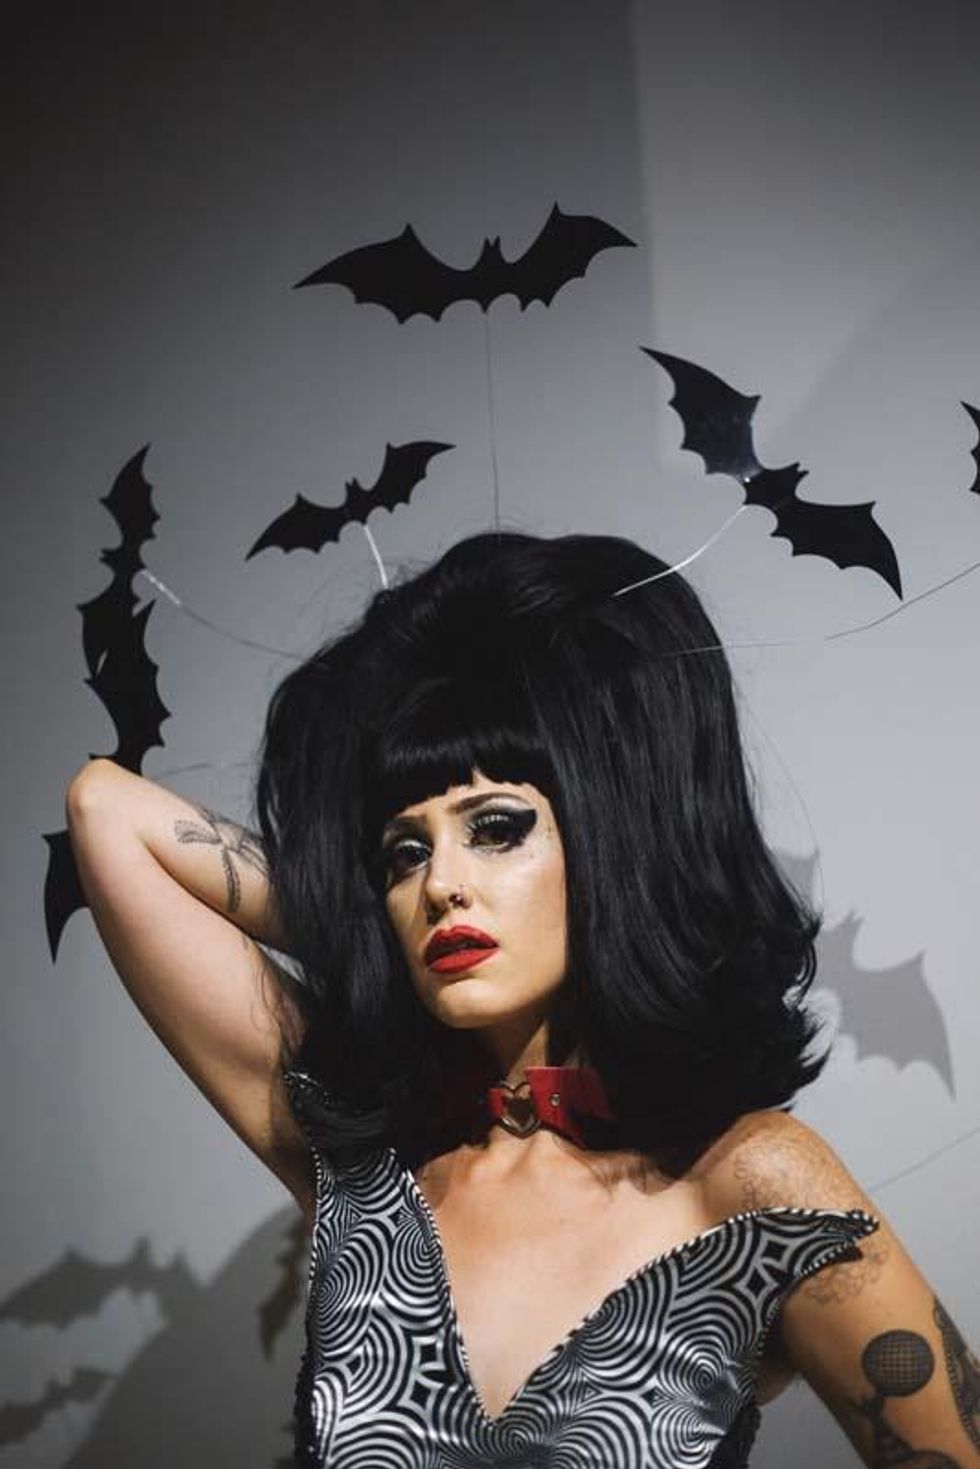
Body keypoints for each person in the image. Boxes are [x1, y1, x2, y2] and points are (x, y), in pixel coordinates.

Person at [66, 532, 979, 1468]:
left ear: (611, 836)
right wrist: (362, 930)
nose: (441, 886)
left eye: (496, 828)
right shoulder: (369, 1170)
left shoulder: (754, 1181)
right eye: (404, 854)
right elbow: (107, 813)